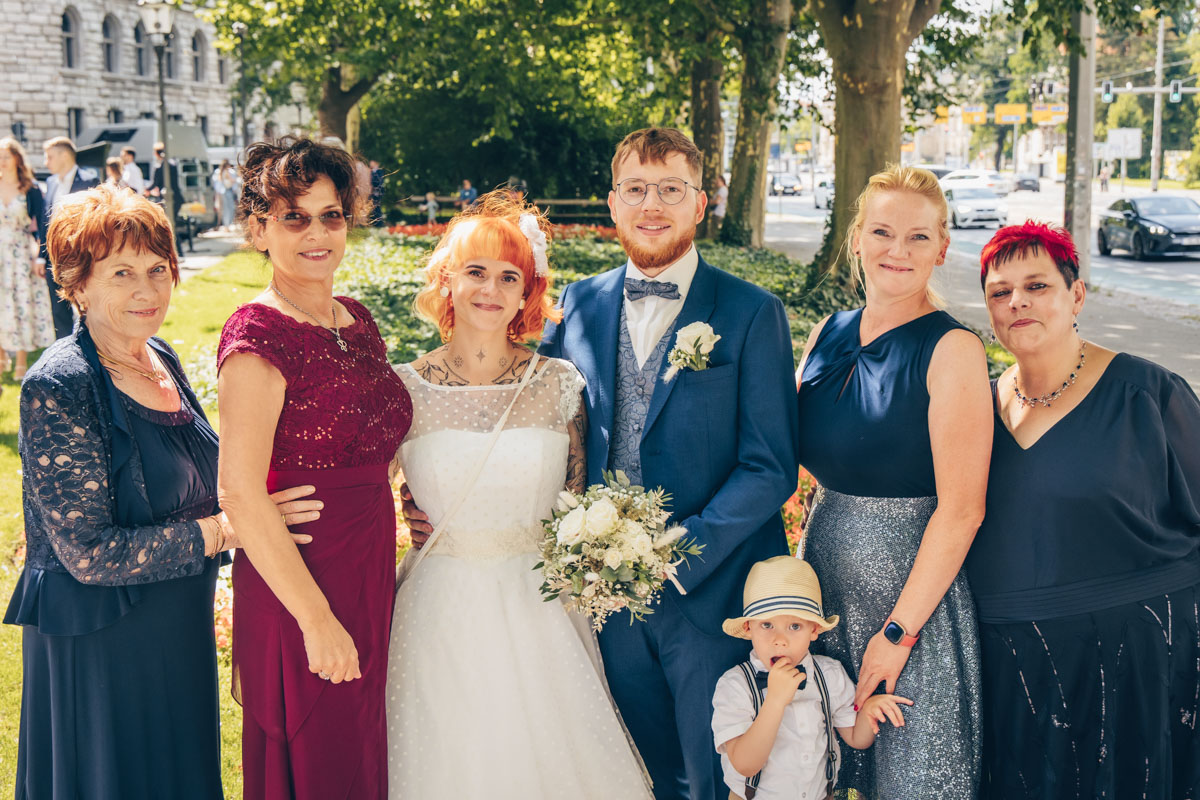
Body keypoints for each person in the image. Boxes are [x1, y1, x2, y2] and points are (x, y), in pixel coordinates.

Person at [402, 127, 798, 798]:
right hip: (601, 604)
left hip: (711, 595)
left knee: (716, 776)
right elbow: (534, 419)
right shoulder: (579, 306)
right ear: (613, 203)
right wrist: (430, 494)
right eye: (636, 189)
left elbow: (771, 465)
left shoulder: (752, 312)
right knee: (630, 770)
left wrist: (679, 553)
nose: (652, 205)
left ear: (700, 204)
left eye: (671, 190)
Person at [3, 184, 319, 799]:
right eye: (121, 273)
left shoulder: (160, 356)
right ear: (77, 285)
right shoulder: (59, 384)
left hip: (177, 626)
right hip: (102, 645)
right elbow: (90, 553)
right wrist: (227, 530)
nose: (147, 290)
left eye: (157, 269)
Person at [385, 190, 653, 799]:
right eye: (476, 272)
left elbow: (576, 500)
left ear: (526, 292)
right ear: (447, 280)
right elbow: (367, 498)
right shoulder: (404, 389)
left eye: (510, 277)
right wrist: (406, 512)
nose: (492, 289)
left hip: (541, 608)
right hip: (437, 610)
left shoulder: (558, 384)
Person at [968, 221, 1200, 798]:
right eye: (1000, 292)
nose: (1017, 302)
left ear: (1076, 296)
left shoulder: (1147, 393)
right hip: (1013, 667)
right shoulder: (975, 406)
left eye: (1037, 286)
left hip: (1138, 660)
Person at [216, 136, 412, 800]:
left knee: (362, 752)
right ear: (258, 229)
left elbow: (375, 439)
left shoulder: (355, 319)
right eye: (294, 218)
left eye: (331, 216)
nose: (317, 234)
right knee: (322, 764)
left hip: (367, 569)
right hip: (303, 580)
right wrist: (316, 619)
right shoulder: (257, 336)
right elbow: (239, 492)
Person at [795, 164, 992, 797]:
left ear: (942, 248)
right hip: (822, 588)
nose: (897, 250)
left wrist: (898, 634)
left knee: (915, 776)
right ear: (856, 239)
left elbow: (962, 510)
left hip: (912, 602)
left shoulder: (952, 348)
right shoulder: (826, 333)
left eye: (918, 237)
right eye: (882, 232)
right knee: (819, 769)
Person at [713, 557, 912, 800]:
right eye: (766, 625)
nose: (780, 640)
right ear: (748, 628)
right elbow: (745, 765)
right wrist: (774, 701)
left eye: (794, 627)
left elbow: (855, 738)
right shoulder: (735, 686)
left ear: (814, 630)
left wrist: (868, 711)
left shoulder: (829, 674)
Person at [0, 137, 55, 380]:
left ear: (16, 159)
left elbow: (42, 224)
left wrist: (40, 257)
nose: (1, 161)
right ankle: (2, 355)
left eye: (6, 156)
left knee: (20, 302)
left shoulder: (30, 188)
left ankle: (21, 360)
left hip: (20, 251)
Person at [42, 135, 98, 338]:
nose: (45, 163)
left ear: (64, 156)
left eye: (49, 157)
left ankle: (94, 344)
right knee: (59, 309)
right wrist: (42, 256)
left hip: (82, 253)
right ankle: (66, 346)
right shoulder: (51, 183)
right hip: (55, 256)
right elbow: (45, 220)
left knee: (88, 305)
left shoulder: (89, 181)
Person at [212, 159, 238, 231]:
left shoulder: (221, 172)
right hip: (225, 191)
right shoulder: (223, 172)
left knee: (228, 209)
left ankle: (227, 224)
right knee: (228, 209)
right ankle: (227, 224)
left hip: (223, 192)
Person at [369, 159, 385, 227]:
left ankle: (379, 223)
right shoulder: (372, 171)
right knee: (373, 207)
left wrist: (376, 189)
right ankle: (374, 222)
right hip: (373, 192)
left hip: (377, 193)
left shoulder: (379, 171)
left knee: (377, 207)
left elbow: (380, 182)